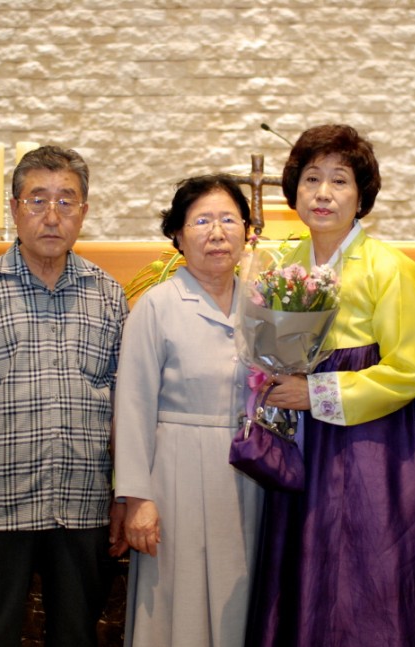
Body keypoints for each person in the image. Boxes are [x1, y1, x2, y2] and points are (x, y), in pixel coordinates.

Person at [0, 145, 129, 647]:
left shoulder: (108, 295)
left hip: (82, 503)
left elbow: (125, 405)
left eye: (66, 201)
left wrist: (124, 495)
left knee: (76, 636)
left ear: (84, 211)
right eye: (37, 200)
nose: (52, 215)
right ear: (14, 209)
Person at [248, 124, 415, 646]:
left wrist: (315, 394)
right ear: (294, 191)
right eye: (311, 179)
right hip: (297, 443)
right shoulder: (281, 266)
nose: (323, 193)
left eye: (339, 180)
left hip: (369, 444)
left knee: (363, 576)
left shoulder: (390, 269)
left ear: (361, 195)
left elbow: (407, 371)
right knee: (299, 571)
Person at [115, 174, 264, 646]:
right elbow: (132, 405)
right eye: (201, 221)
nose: (217, 233)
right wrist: (137, 499)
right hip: (176, 476)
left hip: (251, 477)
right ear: (178, 235)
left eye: (228, 220)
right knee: (178, 604)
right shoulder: (156, 307)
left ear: (247, 232)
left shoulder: (264, 304)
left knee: (242, 599)